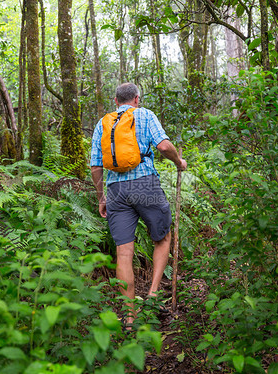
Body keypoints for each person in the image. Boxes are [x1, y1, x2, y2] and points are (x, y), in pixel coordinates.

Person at [90, 83, 187, 326]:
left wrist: (102, 197)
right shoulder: (144, 115)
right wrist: (179, 162)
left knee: (123, 252)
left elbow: (95, 166)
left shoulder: (103, 123)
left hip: (114, 190)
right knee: (162, 237)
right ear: (136, 99)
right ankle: (153, 293)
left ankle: (130, 317)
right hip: (144, 184)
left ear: (115, 101)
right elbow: (164, 146)